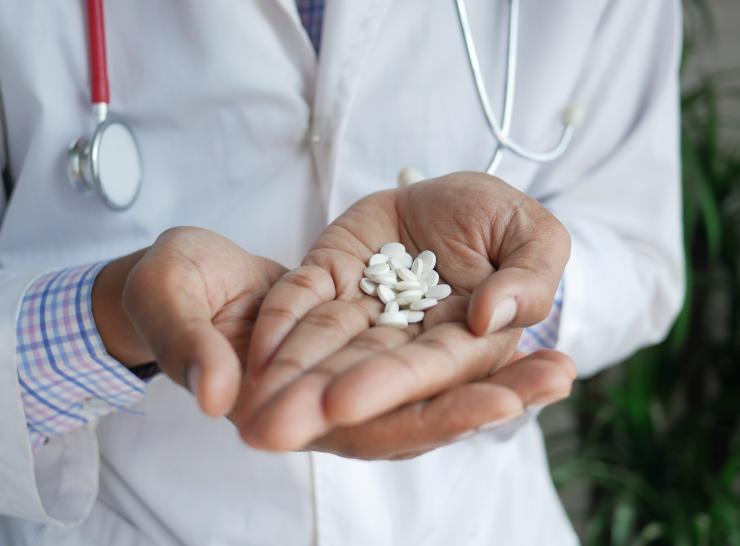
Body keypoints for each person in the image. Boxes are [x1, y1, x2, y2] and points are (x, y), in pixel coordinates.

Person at [0, 1, 683, 544]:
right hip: (130, 519)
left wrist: (508, 295)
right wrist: (105, 316)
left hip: (476, 520)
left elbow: (639, 250)